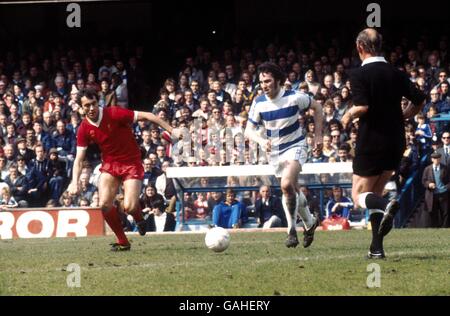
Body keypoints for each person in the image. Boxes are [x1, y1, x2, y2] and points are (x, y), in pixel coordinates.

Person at [341, 28, 426, 259]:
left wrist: (347, 116)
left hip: (371, 141)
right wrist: (406, 115)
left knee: (359, 197)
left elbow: (363, 107)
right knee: (375, 192)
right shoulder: (396, 73)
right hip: (396, 141)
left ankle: (387, 204)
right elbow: (420, 98)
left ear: (360, 47)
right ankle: (376, 248)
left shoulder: (359, 74)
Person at [68, 88, 180, 252]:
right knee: (104, 205)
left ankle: (139, 218)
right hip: (110, 165)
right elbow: (79, 158)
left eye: (93, 104)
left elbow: (148, 115)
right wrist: (74, 182)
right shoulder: (84, 128)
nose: (91, 108)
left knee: (130, 207)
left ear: (98, 102)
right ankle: (123, 241)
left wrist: (171, 130)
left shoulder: (114, 113)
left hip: (131, 163)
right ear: (81, 108)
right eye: (86, 106)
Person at [245, 62, 323, 248]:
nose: (264, 85)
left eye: (268, 81)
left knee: (286, 184)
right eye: (262, 81)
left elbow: (318, 107)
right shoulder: (259, 102)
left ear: (278, 80)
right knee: (292, 189)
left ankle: (291, 231)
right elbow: (249, 130)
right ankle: (310, 223)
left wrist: (318, 135)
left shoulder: (294, 97)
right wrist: (262, 141)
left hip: (296, 146)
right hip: (275, 152)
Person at [421, 152, 449, 228]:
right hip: (432, 194)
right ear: (432, 159)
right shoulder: (427, 169)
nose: (437, 160)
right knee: (433, 212)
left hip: (443, 194)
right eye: (435, 158)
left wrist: (446, 187)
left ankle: (445, 228)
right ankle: (435, 228)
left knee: (445, 212)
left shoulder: (445, 168)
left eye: (438, 158)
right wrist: (429, 184)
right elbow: (424, 180)